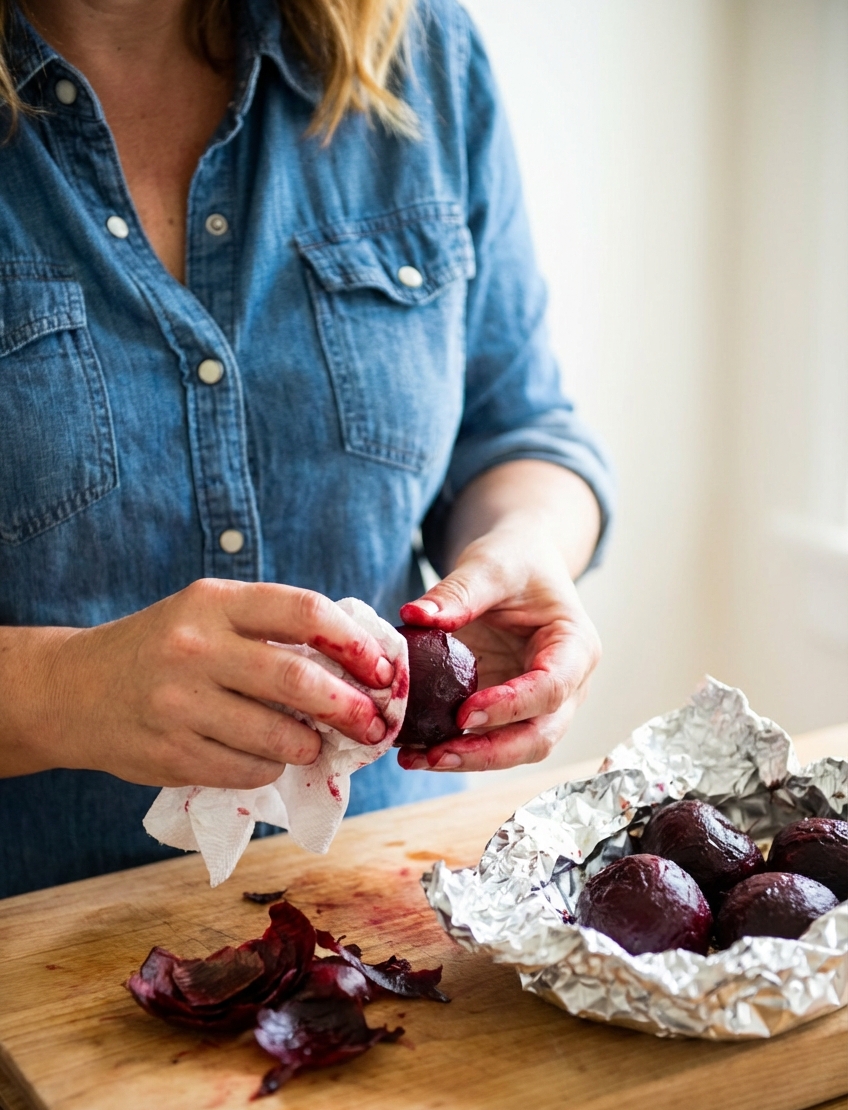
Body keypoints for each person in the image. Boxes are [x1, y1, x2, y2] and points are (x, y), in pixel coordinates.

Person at [0, 0, 613, 899]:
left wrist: (527, 549)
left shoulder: (419, 51)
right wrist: (63, 693)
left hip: (384, 892)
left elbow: (515, 428)